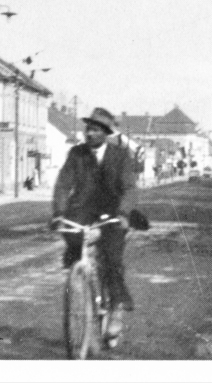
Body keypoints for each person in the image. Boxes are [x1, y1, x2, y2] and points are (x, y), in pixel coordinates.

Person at [50, 107, 147, 340]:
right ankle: (78, 271)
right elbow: (63, 185)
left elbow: (130, 188)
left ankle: (115, 310)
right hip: (83, 210)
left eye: (94, 130)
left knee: (112, 258)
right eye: (88, 129)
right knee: (71, 233)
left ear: (105, 133)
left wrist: (124, 213)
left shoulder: (120, 156)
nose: (89, 133)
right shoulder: (77, 154)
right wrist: (58, 213)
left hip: (113, 213)